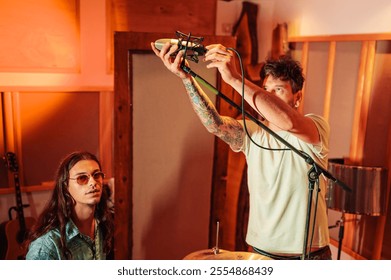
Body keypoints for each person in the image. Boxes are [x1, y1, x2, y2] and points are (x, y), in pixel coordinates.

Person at [151, 42, 332, 260]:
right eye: (266, 90)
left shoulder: (315, 126)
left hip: (309, 257)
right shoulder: (252, 131)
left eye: (279, 90)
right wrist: (186, 79)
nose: (270, 96)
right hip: (261, 253)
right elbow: (215, 124)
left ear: (298, 98)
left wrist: (235, 79)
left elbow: (287, 121)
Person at [25, 151, 114, 260]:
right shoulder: (46, 247)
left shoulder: (103, 226)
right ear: (65, 186)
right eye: (82, 178)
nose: (93, 182)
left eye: (96, 175)